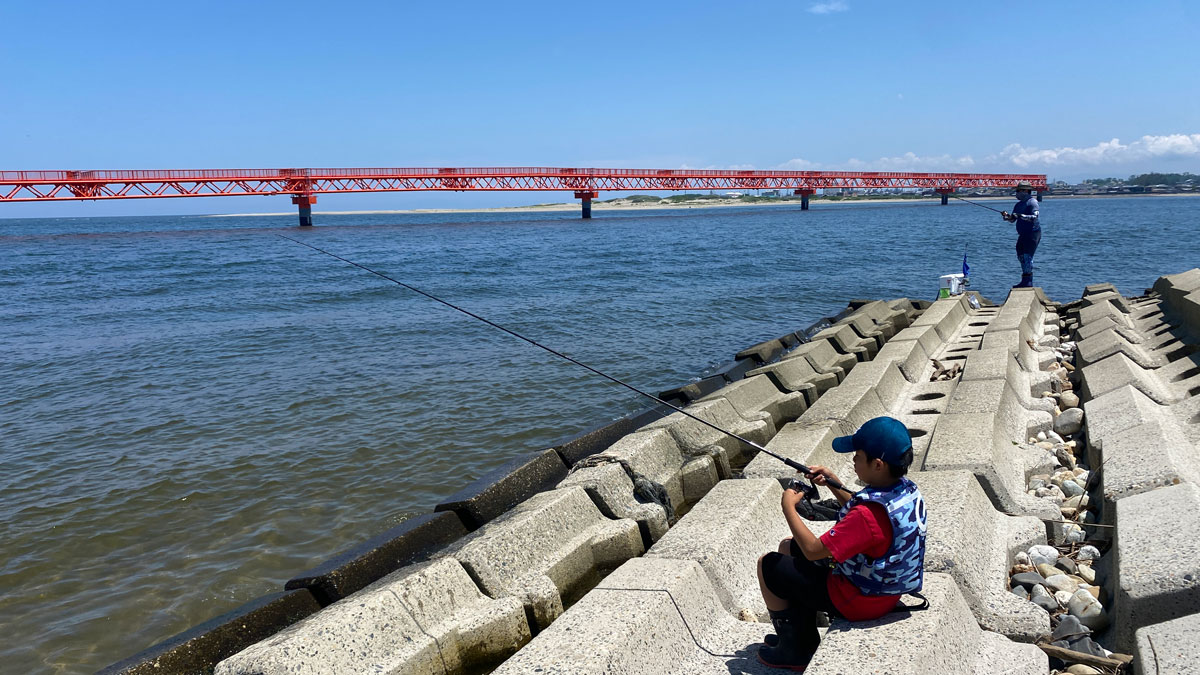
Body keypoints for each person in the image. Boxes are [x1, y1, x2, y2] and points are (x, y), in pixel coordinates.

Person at [755, 416, 927, 671]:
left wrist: (787, 507)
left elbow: (814, 551)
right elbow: (863, 510)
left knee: (767, 564)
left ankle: (797, 651)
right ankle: (800, 633)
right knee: (788, 547)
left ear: (877, 464)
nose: (854, 460)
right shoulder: (903, 490)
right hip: (884, 591)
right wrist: (833, 480)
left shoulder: (867, 516)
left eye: (858, 455)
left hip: (858, 600)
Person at [1002, 180, 1041, 288]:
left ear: (1025, 191)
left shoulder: (1032, 202)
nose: (1017, 193)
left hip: (1032, 233)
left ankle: (1028, 280)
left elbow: (1034, 217)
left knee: (1027, 256)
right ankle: (1025, 278)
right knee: (1020, 256)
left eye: (1018, 191)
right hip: (1022, 234)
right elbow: (1012, 219)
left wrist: (1020, 216)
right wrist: (1007, 216)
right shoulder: (1018, 204)